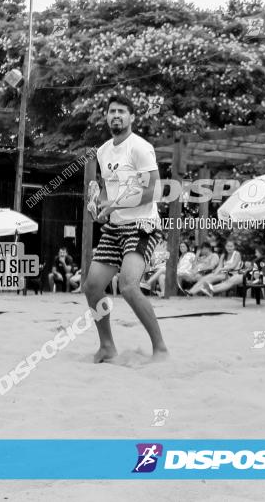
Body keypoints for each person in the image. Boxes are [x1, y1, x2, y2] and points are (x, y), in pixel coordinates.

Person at [81, 94, 168, 362]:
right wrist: (100, 209)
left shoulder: (140, 147)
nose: (115, 115)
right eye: (111, 111)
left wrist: (114, 206)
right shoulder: (103, 151)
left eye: (121, 111)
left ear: (132, 117)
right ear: (106, 117)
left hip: (142, 225)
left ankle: (160, 349)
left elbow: (156, 190)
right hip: (115, 228)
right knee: (92, 287)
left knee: (129, 286)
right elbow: (107, 192)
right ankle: (107, 346)